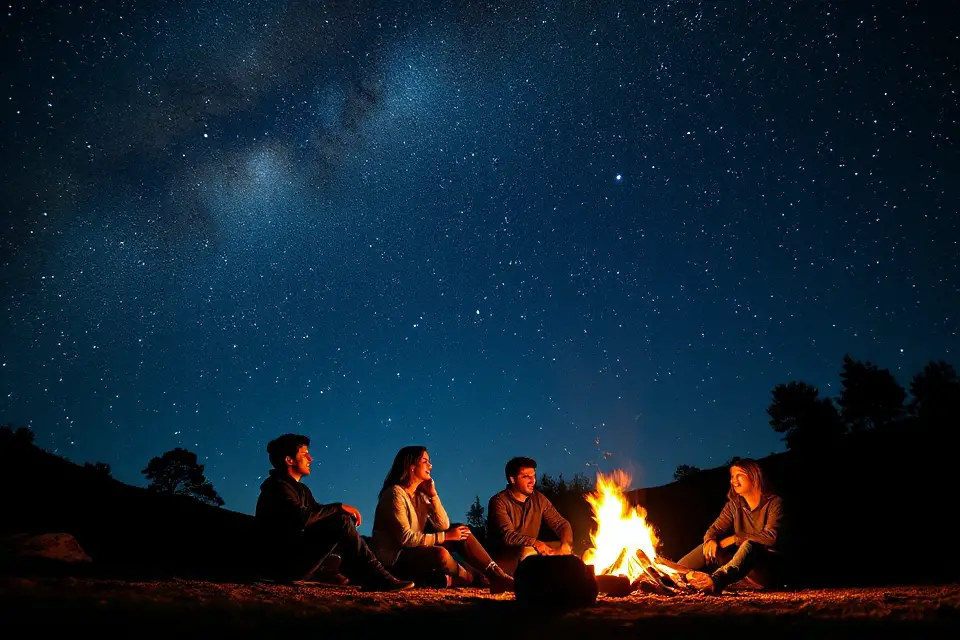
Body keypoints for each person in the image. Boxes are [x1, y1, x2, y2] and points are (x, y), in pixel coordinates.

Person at [254, 433, 414, 591]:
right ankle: (377, 577)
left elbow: (317, 512)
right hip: (282, 565)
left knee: (340, 520)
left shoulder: (301, 490)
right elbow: (302, 518)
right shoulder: (276, 487)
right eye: (304, 455)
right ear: (289, 460)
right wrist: (339, 507)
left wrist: (338, 512)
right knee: (341, 521)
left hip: (294, 559)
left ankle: (337, 572)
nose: (310, 459)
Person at [370, 446, 515, 593]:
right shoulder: (395, 494)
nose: (431, 466)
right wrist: (446, 537)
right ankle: (475, 579)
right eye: (425, 461)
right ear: (411, 467)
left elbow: (443, 524)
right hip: (393, 560)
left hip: (412, 550)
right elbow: (406, 539)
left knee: (461, 530)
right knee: (441, 554)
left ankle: (496, 574)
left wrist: (433, 495)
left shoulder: (419, 495)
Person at [675, 458, 786, 594]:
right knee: (709, 547)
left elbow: (771, 537)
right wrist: (710, 540)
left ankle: (716, 580)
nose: (733, 480)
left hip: (767, 568)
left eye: (739, 475)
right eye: (732, 476)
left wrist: (735, 538)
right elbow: (714, 529)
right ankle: (671, 574)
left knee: (750, 546)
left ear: (754, 476)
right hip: (741, 566)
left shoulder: (775, 503)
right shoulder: (734, 505)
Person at [485, 456, 574, 575]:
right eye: (526, 477)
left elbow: (561, 524)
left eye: (533, 476)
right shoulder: (499, 501)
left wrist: (565, 545)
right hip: (507, 557)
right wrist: (536, 543)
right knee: (526, 553)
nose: (533, 481)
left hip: (533, 551)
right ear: (512, 479)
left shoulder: (538, 499)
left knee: (571, 553)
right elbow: (508, 536)